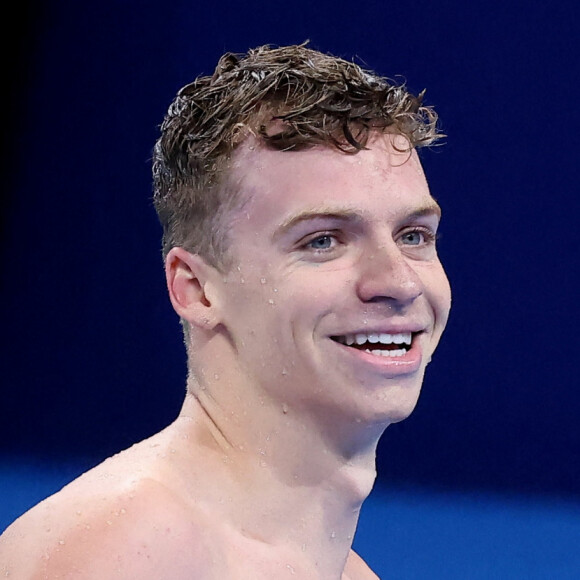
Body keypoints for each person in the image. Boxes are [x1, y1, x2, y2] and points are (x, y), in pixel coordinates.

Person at [0, 43, 451, 579]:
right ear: (195, 289)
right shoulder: (124, 554)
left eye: (414, 235)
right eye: (323, 241)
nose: (397, 281)